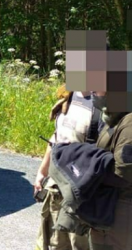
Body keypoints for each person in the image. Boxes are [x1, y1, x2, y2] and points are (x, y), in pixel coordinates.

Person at [34, 85, 103, 250]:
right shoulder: (68, 95)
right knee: (52, 242)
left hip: (81, 195)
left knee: (78, 245)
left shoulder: (102, 105)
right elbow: (56, 137)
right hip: (56, 187)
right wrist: (42, 172)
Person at [90, 106, 132, 249]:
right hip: (109, 205)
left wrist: (87, 173)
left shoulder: (129, 124)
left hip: (120, 209)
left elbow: (123, 173)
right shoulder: (116, 116)